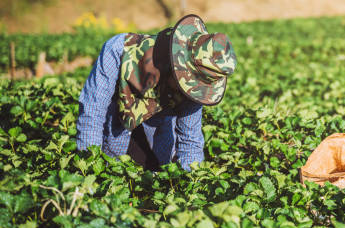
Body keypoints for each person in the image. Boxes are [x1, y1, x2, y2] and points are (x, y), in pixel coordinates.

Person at [76, 14, 237, 171]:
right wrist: (90, 169)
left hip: (156, 141)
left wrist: (191, 185)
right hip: (112, 132)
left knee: (152, 176)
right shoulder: (118, 50)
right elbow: (93, 111)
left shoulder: (195, 91)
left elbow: (191, 141)